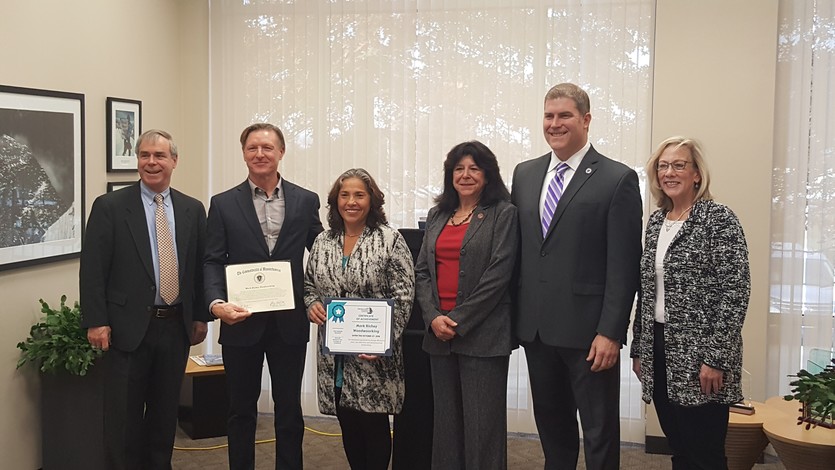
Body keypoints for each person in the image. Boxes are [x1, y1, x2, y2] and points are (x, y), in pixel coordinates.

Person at [510, 83, 642, 470]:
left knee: (599, 432)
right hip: (536, 329)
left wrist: (612, 332)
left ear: (585, 120)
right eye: (549, 116)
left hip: (590, 335)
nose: (555, 124)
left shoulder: (617, 179)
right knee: (552, 428)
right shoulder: (525, 174)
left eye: (564, 115)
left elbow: (623, 265)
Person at [80, 129, 209, 469]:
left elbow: (198, 269)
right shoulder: (110, 207)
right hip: (126, 330)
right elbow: (93, 269)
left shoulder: (192, 209)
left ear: (174, 161)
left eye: (159, 156)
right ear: (137, 160)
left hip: (174, 328)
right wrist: (96, 320)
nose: (151, 162)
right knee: (122, 418)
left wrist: (199, 317)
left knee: (164, 416)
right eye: (144, 156)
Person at [204, 123, 324, 470]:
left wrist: (320, 297)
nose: (260, 154)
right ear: (243, 153)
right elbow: (212, 260)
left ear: (281, 153)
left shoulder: (305, 200)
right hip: (240, 321)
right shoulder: (223, 204)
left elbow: (319, 255)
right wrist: (216, 304)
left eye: (267, 148)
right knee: (241, 410)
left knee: (289, 410)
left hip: (290, 323)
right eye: (252, 148)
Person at [630, 137, 750, 469]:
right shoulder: (657, 222)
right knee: (680, 448)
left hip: (700, 356)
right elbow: (647, 288)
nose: (669, 172)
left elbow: (735, 292)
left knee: (706, 453)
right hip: (658, 348)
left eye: (679, 165)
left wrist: (715, 358)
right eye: (662, 166)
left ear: (696, 174)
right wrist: (640, 348)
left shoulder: (718, 219)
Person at [414, 141, 518, 469]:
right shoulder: (437, 215)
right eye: (459, 168)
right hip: (438, 335)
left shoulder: (504, 213)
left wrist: (456, 319)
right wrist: (432, 317)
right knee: (446, 426)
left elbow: (499, 274)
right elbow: (422, 271)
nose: (466, 175)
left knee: (482, 427)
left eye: (474, 168)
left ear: (488, 174)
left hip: (483, 336)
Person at [304, 168, 415, 470]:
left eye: (359, 194)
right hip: (335, 356)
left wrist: (384, 341)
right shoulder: (323, 242)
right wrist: (311, 304)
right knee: (348, 425)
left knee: (374, 427)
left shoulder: (390, 239)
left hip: (373, 355)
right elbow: (310, 285)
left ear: (372, 200)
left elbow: (404, 295)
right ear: (335, 201)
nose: (351, 201)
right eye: (344, 195)